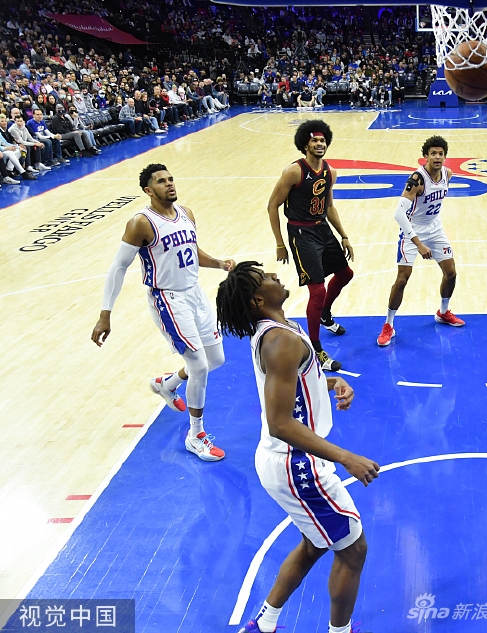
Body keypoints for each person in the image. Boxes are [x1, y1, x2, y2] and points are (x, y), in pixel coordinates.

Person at [216, 262, 378, 633]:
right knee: (353, 550)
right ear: (258, 300)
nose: (274, 275)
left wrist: (332, 382)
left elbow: (296, 383)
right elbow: (280, 422)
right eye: (265, 278)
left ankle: (265, 623)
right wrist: (346, 457)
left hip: (290, 460)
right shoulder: (280, 341)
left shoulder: (282, 331)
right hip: (297, 464)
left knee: (315, 543)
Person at [91, 164, 234, 462]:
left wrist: (219, 263)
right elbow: (118, 267)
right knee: (199, 367)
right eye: (161, 181)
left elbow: (192, 251)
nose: (169, 184)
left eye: (170, 179)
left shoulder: (186, 213)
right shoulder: (141, 223)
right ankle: (196, 435)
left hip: (195, 294)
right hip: (168, 299)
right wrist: (106, 313)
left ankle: (166, 384)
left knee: (215, 359)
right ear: (148, 190)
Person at [266, 121, 354, 372]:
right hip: (301, 233)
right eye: (314, 140)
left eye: (323, 140)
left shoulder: (330, 172)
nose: (319, 144)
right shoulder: (294, 172)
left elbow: (329, 206)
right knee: (317, 290)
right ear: (305, 144)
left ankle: (325, 314)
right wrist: (280, 243)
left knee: (345, 274)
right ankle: (315, 349)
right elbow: (272, 206)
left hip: (322, 228)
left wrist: (344, 235)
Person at [376, 135, 464, 347]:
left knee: (451, 273)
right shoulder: (417, 180)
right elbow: (399, 214)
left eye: (440, 154)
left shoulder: (447, 174)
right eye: (433, 153)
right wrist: (419, 244)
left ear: (445, 157)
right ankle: (388, 325)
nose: (437, 157)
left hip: (435, 228)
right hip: (412, 229)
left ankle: (443, 312)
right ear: (425, 156)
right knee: (402, 279)